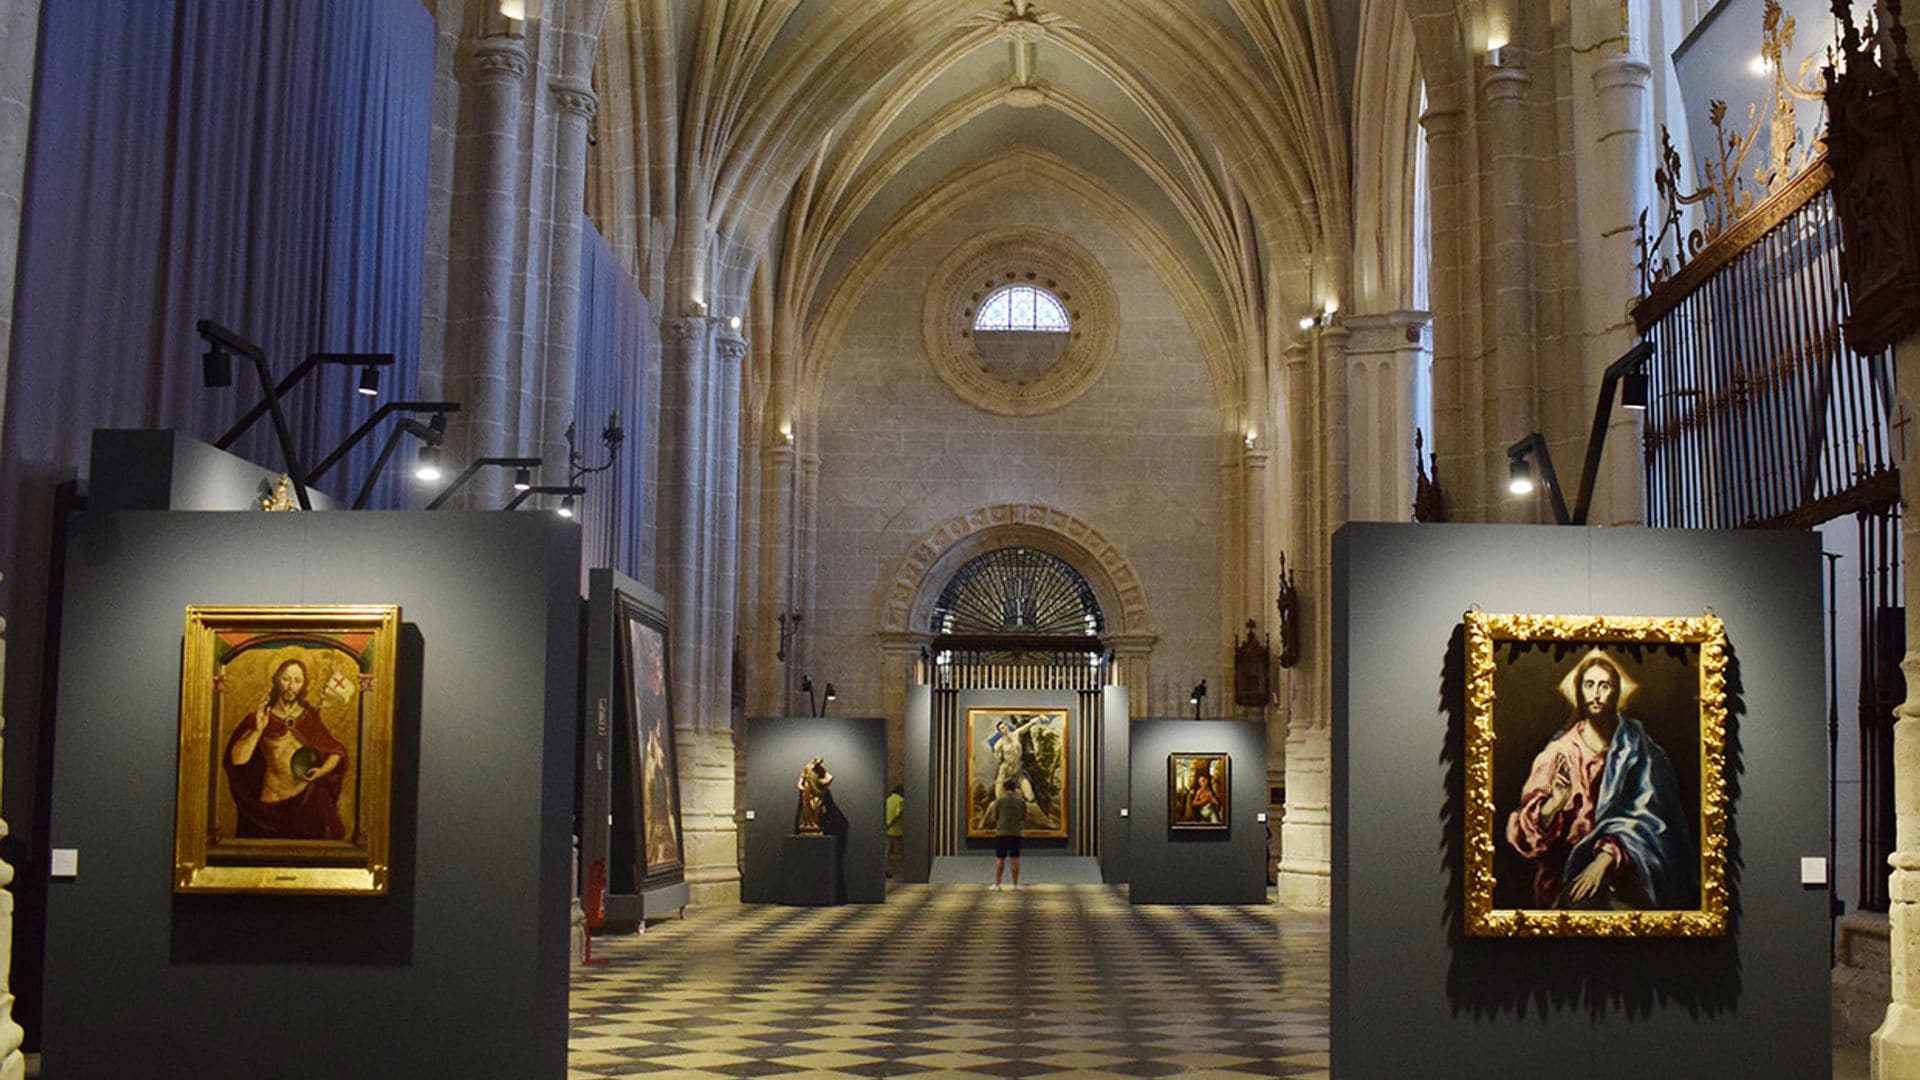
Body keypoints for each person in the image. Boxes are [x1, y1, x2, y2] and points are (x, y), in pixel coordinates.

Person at [1504, 653, 1694, 909]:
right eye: (1589, 684)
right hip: (1567, 877)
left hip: (1627, 872)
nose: (1596, 693)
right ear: (1579, 691)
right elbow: (1524, 837)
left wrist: (1605, 858)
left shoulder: (1639, 748)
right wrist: (1553, 805)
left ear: (1616, 693)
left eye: (1604, 686)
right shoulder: (1558, 753)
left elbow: (1653, 821)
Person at [224, 657, 349, 840]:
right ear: (276, 680)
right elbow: (237, 759)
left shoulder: (309, 718)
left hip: (306, 802)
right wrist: (258, 730)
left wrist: (321, 771)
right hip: (269, 806)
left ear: (304, 685)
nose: (291, 685)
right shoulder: (260, 718)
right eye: (286, 679)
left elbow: (337, 752)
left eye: (297, 680)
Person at [991, 778, 1027, 891]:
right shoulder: (1021, 801)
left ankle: (997, 885)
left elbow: (994, 817)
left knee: (1000, 858)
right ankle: (1015, 885)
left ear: (1004, 788)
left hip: (1001, 833)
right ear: (1015, 788)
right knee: (1015, 859)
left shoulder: (999, 800)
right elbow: (1024, 816)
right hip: (1016, 833)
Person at [884, 785, 905, 878]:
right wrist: (892, 824)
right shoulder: (901, 800)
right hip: (897, 830)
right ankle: (899, 871)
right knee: (900, 852)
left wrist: (887, 825)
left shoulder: (888, 800)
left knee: (887, 852)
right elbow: (898, 814)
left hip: (887, 829)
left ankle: (887, 870)